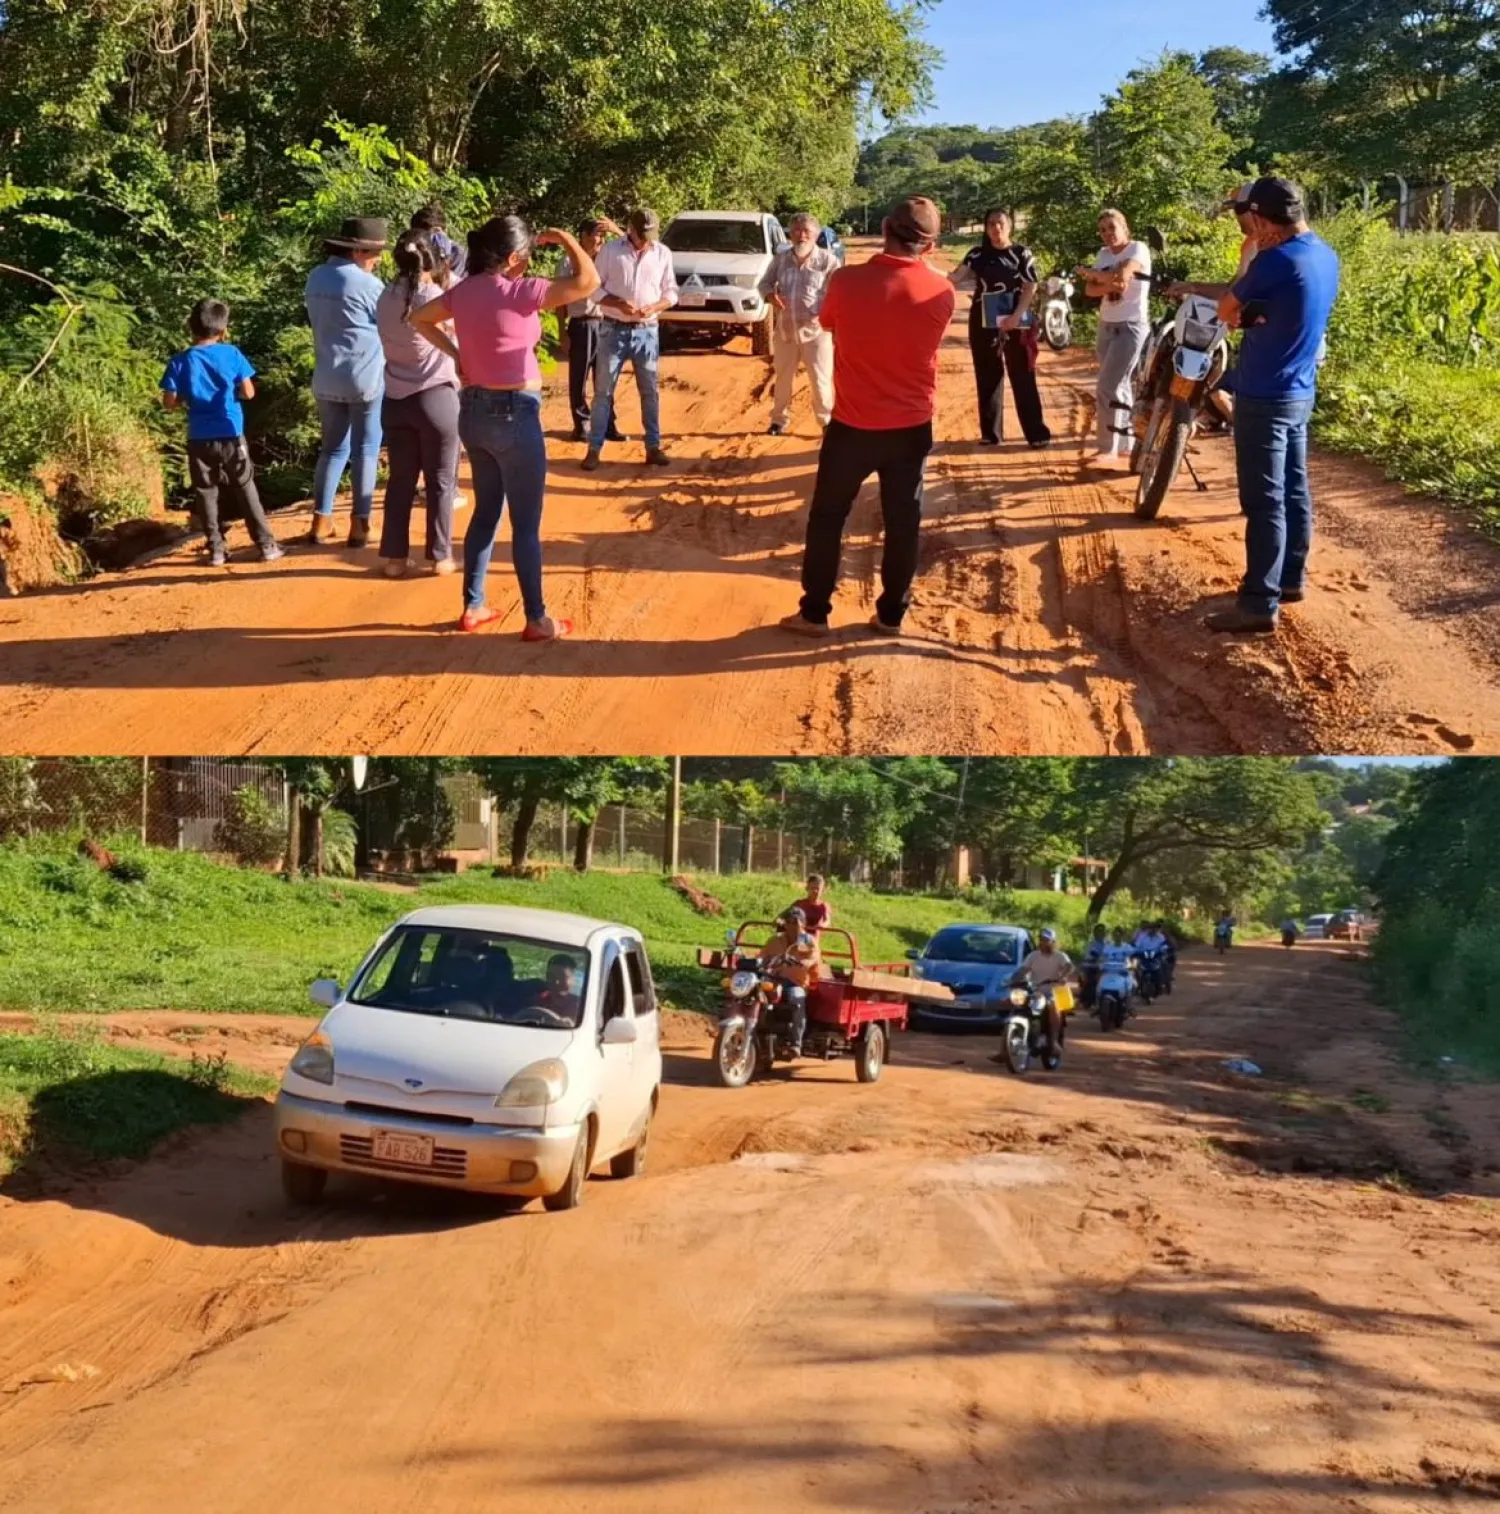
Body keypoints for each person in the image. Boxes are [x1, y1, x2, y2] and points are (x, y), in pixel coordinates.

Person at [411, 214, 599, 640]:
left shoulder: (462, 292)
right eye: (528, 257)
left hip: (473, 412)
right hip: (515, 411)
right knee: (526, 524)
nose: (530, 265)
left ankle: (473, 607)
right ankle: (537, 619)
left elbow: (418, 319)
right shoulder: (521, 292)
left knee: (486, 513)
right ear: (514, 258)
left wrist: (456, 354)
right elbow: (588, 281)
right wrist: (568, 238)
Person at [780, 197, 956, 640]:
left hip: (852, 425)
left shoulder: (847, 280)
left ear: (883, 227)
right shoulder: (943, 292)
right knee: (903, 522)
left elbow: (827, 321)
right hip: (911, 427)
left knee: (827, 517)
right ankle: (891, 615)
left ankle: (815, 612)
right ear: (931, 246)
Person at [1204, 178, 1341, 635]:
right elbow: (1291, 310)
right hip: (1301, 391)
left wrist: (1245, 306)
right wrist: (1259, 314)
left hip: (1264, 394)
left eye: (1250, 220)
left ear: (1262, 219)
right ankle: (1290, 580)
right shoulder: (1324, 255)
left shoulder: (1272, 260)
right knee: (1295, 490)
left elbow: (1226, 308)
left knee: (1264, 502)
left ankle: (1259, 602)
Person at [160, 299, 284, 567]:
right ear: (223, 329)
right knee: (244, 485)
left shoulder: (180, 361)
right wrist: (233, 393)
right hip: (231, 433)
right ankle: (266, 544)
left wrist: (186, 397)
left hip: (198, 437)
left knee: (205, 491)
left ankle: (216, 549)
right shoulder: (232, 354)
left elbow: (168, 404)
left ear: (191, 327)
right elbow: (249, 392)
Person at [375, 230, 461, 578]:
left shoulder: (383, 297)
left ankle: (395, 559)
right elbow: (458, 334)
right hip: (436, 396)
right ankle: (440, 557)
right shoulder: (436, 297)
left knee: (400, 481)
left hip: (395, 398)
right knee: (441, 480)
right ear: (431, 260)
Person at [305, 216, 389, 547]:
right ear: (358, 252)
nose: (378, 259)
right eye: (375, 252)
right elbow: (388, 325)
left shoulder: (315, 278)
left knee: (332, 449)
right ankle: (361, 525)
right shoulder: (369, 286)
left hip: (326, 374)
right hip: (365, 377)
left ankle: (321, 521)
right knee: (366, 449)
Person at [582, 209, 678, 470]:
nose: (646, 240)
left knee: (649, 391)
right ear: (630, 229)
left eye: (650, 234)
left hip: (647, 330)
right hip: (613, 330)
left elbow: (671, 291)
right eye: (642, 234)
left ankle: (653, 447)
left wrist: (656, 306)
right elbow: (593, 287)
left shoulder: (662, 253)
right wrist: (617, 304)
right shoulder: (611, 251)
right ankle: (594, 449)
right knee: (603, 392)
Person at [949, 208, 1052, 448]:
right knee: (987, 375)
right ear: (986, 228)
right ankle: (991, 434)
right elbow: (954, 278)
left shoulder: (1021, 253)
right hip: (983, 319)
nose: (996, 228)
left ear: (1010, 226)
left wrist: (1016, 316)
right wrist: (921, 265)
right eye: (991, 224)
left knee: (1022, 374)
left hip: (1017, 320)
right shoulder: (976, 255)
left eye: (1000, 223)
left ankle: (1037, 433)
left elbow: (1030, 286)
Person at [1078, 209, 1152, 464]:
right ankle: (1125, 444)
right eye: (1103, 230)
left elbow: (1124, 276)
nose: (1108, 234)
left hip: (1131, 326)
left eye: (1112, 227)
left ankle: (1106, 448)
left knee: (1107, 385)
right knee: (1120, 386)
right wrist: (1105, 281)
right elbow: (1090, 290)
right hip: (1106, 325)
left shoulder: (1137, 249)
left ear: (1124, 227)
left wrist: (1095, 275)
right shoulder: (1103, 254)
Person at [757, 212, 838, 436]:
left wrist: (832, 321)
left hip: (817, 331)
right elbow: (764, 284)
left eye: (806, 232)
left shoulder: (828, 261)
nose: (801, 236)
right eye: (796, 231)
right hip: (785, 331)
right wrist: (770, 297)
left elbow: (838, 294)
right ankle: (778, 421)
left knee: (820, 380)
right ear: (790, 235)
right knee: (782, 378)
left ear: (816, 235)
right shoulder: (780, 259)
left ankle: (826, 424)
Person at [561, 218, 628, 445]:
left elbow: (631, 249)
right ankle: (581, 425)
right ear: (582, 235)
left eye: (602, 236)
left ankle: (608, 424)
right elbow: (560, 299)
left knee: (605, 377)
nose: (599, 240)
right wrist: (562, 331)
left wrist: (616, 230)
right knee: (579, 377)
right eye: (595, 235)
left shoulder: (606, 259)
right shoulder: (569, 261)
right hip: (581, 323)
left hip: (605, 322)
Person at [766, 908, 822, 1056]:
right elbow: (762, 956)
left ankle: (796, 1043)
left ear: (802, 924)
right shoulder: (775, 939)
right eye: (789, 921)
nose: (791, 925)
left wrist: (804, 962)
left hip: (795, 982)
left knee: (797, 1000)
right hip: (773, 979)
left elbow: (814, 957)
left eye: (795, 922)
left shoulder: (807, 940)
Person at [410, 203, 467, 279]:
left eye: (436, 231)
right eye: (426, 234)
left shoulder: (457, 253)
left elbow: (453, 286)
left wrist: (443, 257)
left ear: (445, 231)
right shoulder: (414, 249)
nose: (432, 238)